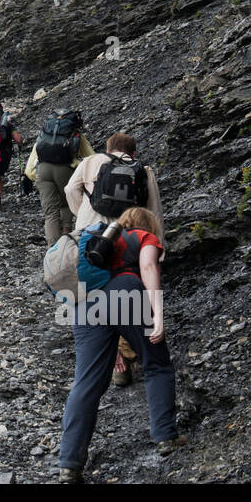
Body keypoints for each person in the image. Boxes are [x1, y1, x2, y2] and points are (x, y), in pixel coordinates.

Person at [59, 206, 185, 483]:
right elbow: (149, 267)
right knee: (157, 365)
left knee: (86, 382)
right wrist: (158, 315)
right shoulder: (144, 237)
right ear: (147, 225)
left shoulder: (97, 241)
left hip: (84, 305)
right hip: (126, 292)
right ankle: (165, 437)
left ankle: (69, 464)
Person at [66, 132, 164, 386]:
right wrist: (155, 244)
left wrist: (83, 213)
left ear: (108, 148)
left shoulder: (90, 162)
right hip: (126, 236)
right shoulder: (142, 169)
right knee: (124, 288)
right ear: (133, 152)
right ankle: (131, 352)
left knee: (92, 289)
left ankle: (114, 360)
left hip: (90, 234)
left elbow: (69, 190)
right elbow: (152, 209)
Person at [23, 109, 93, 246]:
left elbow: (30, 165)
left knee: (50, 213)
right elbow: (92, 157)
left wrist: (34, 177)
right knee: (66, 204)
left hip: (42, 171)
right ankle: (66, 239)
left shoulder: (45, 133)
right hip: (65, 170)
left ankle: (53, 250)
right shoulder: (76, 134)